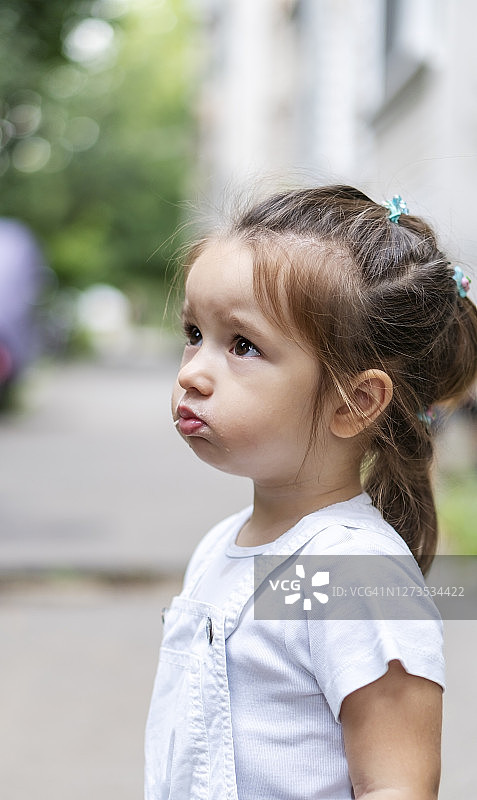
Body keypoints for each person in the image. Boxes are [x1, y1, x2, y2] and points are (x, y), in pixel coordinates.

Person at [145, 185, 477, 800]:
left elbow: (397, 786)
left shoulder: (352, 572)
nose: (191, 372)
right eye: (193, 333)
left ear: (355, 402)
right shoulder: (221, 545)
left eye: (242, 345)